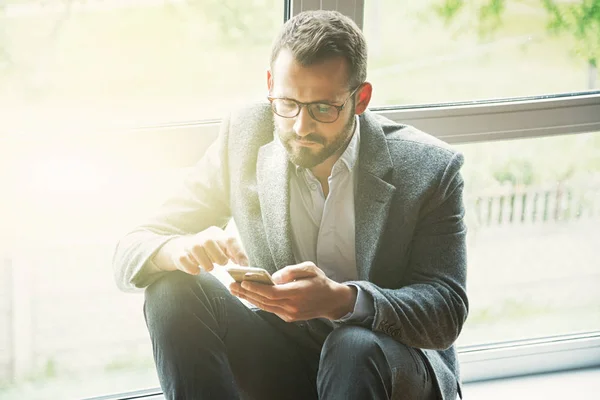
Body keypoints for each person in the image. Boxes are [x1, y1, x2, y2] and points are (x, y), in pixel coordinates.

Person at [113, 10, 468, 400]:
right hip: (284, 358)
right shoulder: (244, 137)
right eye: (287, 103)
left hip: (385, 364)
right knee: (170, 290)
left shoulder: (429, 168)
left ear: (360, 99)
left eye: (323, 109)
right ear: (270, 85)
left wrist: (343, 300)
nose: (301, 126)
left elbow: (445, 310)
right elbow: (132, 249)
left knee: (352, 345)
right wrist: (177, 249)